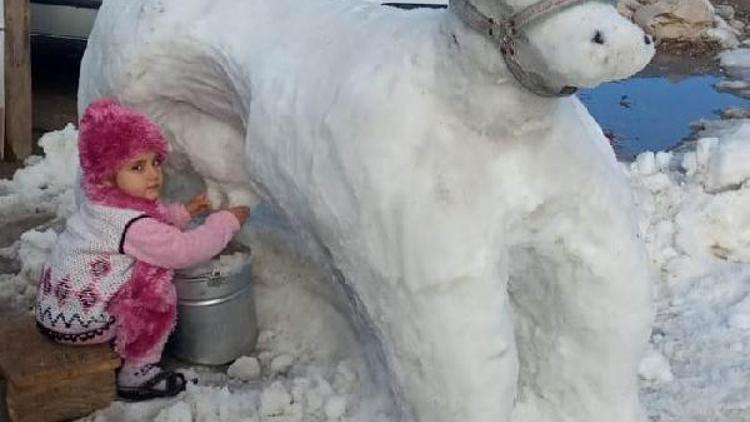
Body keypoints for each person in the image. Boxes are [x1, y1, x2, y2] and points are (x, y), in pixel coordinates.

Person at [35, 98, 250, 401]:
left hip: (53, 314)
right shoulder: (132, 224)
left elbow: (148, 222)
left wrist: (184, 213)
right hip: (86, 324)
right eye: (138, 167)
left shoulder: (101, 204)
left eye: (155, 162)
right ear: (109, 174)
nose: (153, 174)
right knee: (157, 278)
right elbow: (182, 250)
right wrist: (227, 222)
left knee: (145, 260)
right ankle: (138, 371)